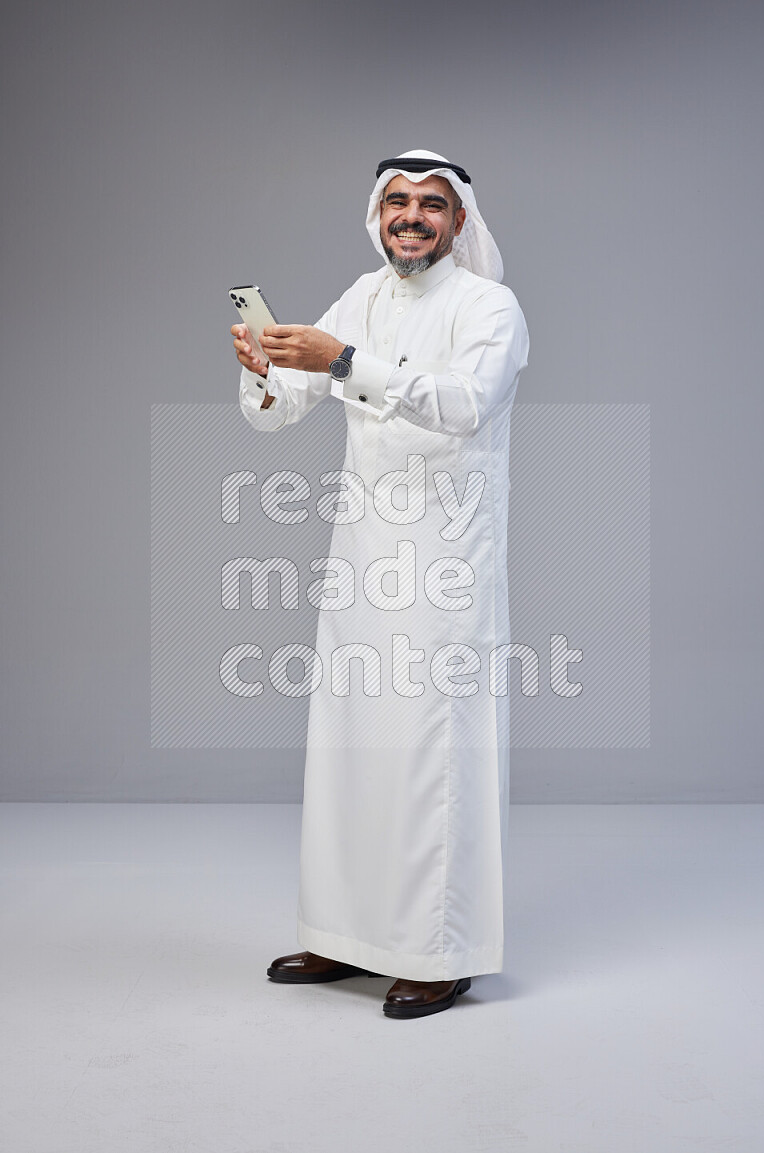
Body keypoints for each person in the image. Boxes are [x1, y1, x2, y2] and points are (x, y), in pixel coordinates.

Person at [232, 149, 529, 1019]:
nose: (412, 217)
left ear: (459, 221)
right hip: (361, 558)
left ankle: (439, 951)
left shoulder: (491, 307)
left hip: (445, 566)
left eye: (431, 205)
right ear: (377, 213)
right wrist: (262, 364)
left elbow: (464, 403)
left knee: (431, 755)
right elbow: (284, 406)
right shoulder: (359, 297)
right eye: (397, 202)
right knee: (349, 746)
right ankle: (344, 935)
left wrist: (340, 360)